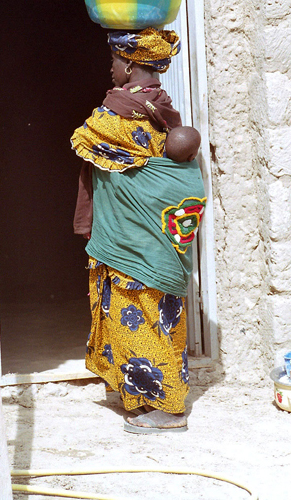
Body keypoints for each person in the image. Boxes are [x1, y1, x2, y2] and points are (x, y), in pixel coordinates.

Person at [71, 27, 206, 433]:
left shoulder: (113, 119)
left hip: (133, 241)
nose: (110, 69)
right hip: (155, 240)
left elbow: (89, 141)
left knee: (143, 320)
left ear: (128, 64)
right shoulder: (162, 110)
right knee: (152, 320)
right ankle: (144, 398)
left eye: (114, 61)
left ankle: (169, 410)